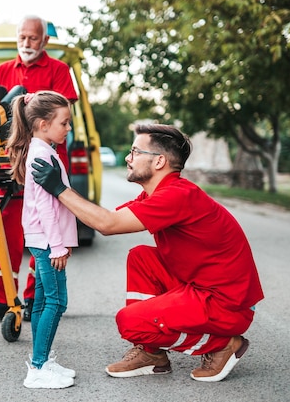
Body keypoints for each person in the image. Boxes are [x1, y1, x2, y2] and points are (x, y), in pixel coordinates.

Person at [30, 123, 264, 382]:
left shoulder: (176, 196)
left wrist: (60, 189)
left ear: (159, 161)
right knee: (141, 257)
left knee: (130, 322)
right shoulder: (158, 194)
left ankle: (221, 345)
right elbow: (106, 217)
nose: (128, 158)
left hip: (227, 304)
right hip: (204, 288)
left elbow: (107, 225)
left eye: (135, 152)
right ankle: (151, 353)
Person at [0, 14, 78, 324]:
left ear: (44, 41)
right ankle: (1, 299)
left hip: (44, 164)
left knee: (43, 233)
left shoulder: (59, 70)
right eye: (22, 37)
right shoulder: (2, 70)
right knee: (4, 235)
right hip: (6, 165)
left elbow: (63, 113)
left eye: (33, 38)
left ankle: (34, 298)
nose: (27, 43)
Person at [6, 90, 77, 389]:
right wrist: (58, 245)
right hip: (48, 240)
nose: (69, 128)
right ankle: (36, 368)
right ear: (42, 124)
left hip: (43, 238)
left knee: (42, 301)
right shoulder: (41, 154)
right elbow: (47, 207)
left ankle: (42, 359)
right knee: (57, 302)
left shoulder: (43, 148)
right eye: (65, 122)